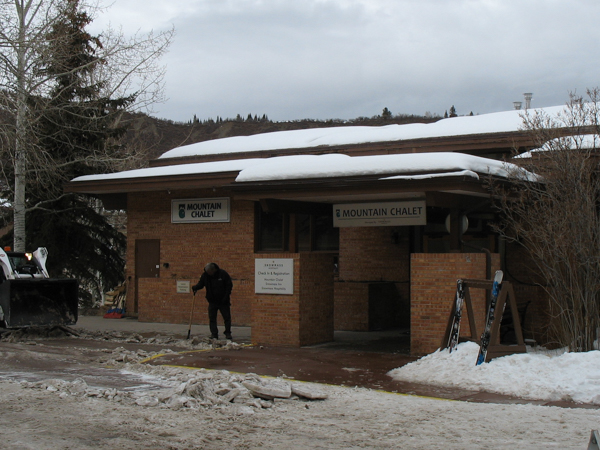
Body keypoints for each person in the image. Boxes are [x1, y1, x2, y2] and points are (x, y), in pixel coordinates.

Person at [192, 262, 233, 340]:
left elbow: (229, 285)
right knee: (212, 318)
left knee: (226, 317)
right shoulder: (205, 275)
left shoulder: (223, 274)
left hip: (223, 301)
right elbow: (201, 284)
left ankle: (228, 333)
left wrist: (226, 296)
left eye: (209, 272)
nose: (208, 273)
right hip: (212, 301)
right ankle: (214, 334)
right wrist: (196, 287)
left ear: (213, 270)